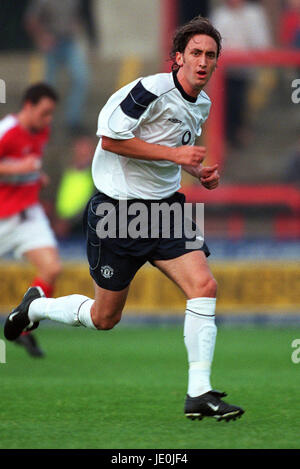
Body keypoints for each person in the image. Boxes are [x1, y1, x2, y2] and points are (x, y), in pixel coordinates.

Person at [4, 16, 244, 421]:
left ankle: (199, 394)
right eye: (196, 53)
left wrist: (196, 172)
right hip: (119, 213)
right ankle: (36, 309)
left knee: (204, 285)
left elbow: (171, 151)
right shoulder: (149, 89)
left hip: (166, 211)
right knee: (104, 318)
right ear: (178, 58)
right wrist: (176, 156)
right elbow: (111, 139)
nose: (203, 61)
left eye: (210, 55)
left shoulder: (201, 103)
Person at [0, 83, 61, 357]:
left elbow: (30, 162)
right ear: (28, 106)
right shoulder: (7, 131)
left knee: (51, 269)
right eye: (44, 113)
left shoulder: (42, 131)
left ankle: (21, 325)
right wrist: (17, 168)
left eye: (51, 114)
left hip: (27, 215)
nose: (48, 120)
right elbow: (18, 164)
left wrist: (35, 176)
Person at [24, 0, 97, 135]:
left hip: (69, 41)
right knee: (47, 85)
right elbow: (31, 19)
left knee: (81, 79)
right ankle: (40, 120)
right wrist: (42, 38)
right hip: (52, 42)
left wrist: (86, 36)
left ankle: (73, 120)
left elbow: (83, 15)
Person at [210, 0, 272, 147]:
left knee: (240, 99)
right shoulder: (220, 15)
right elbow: (213, 44)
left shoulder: (254, 15)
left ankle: (241, 133)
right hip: (224, 73)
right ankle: (226, 138)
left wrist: (243, 53)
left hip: (248, 72)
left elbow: (262, 43)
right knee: (226, 100)